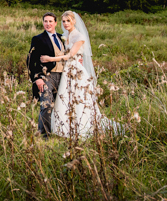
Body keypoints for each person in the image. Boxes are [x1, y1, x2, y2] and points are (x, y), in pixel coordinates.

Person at [40, 11, 119, 139]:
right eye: (64, 21)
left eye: (68, 21)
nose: (65, 24)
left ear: (74, 21)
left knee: (79, 98)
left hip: (76, 71)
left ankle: (81, 126)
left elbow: (70, 55)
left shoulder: (79, 37)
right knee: (65, 98)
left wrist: (49, 59)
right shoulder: (65, 35)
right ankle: (64, 127)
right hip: (66, 71)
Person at [27, 12, 65, 137]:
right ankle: (44, 135)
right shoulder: (38, 39)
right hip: (46, 76)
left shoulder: (63, 38)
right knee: (46, 104)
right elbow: (31, 61)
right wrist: (37, 78)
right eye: (45, 21)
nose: (47, 24)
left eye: (50, 21)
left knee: (61, 105)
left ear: (55, 23)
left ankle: (60, 131)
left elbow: (70, 54)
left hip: (63, 76)